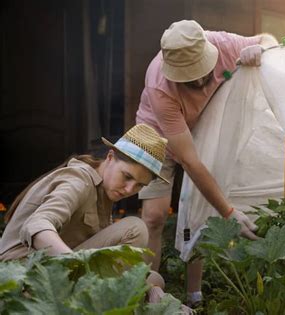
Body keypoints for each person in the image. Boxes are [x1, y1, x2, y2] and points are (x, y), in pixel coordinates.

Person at [135, 19, 278, 305]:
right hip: (153, 133)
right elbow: (189, 161)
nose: (199, 82)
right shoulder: (159, 86)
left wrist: (262, 50)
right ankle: (149, 293)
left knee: (196, 208)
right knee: (154, 217)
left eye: (201, 72)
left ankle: (194, 296)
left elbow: (269, 39)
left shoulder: (222, 43)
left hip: (203, 127)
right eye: (188, 78)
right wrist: (229, 212)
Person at [0, 124, 169, 301]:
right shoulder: (79, 180)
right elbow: (37, 224)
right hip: (19, 280)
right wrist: (76, 263)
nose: (129, 190)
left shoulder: (104, 194)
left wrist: (155, 289)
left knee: (155, 279)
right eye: (127, 177)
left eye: (140, 185)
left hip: (51, 271)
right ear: (110, 157)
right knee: (135, 228)